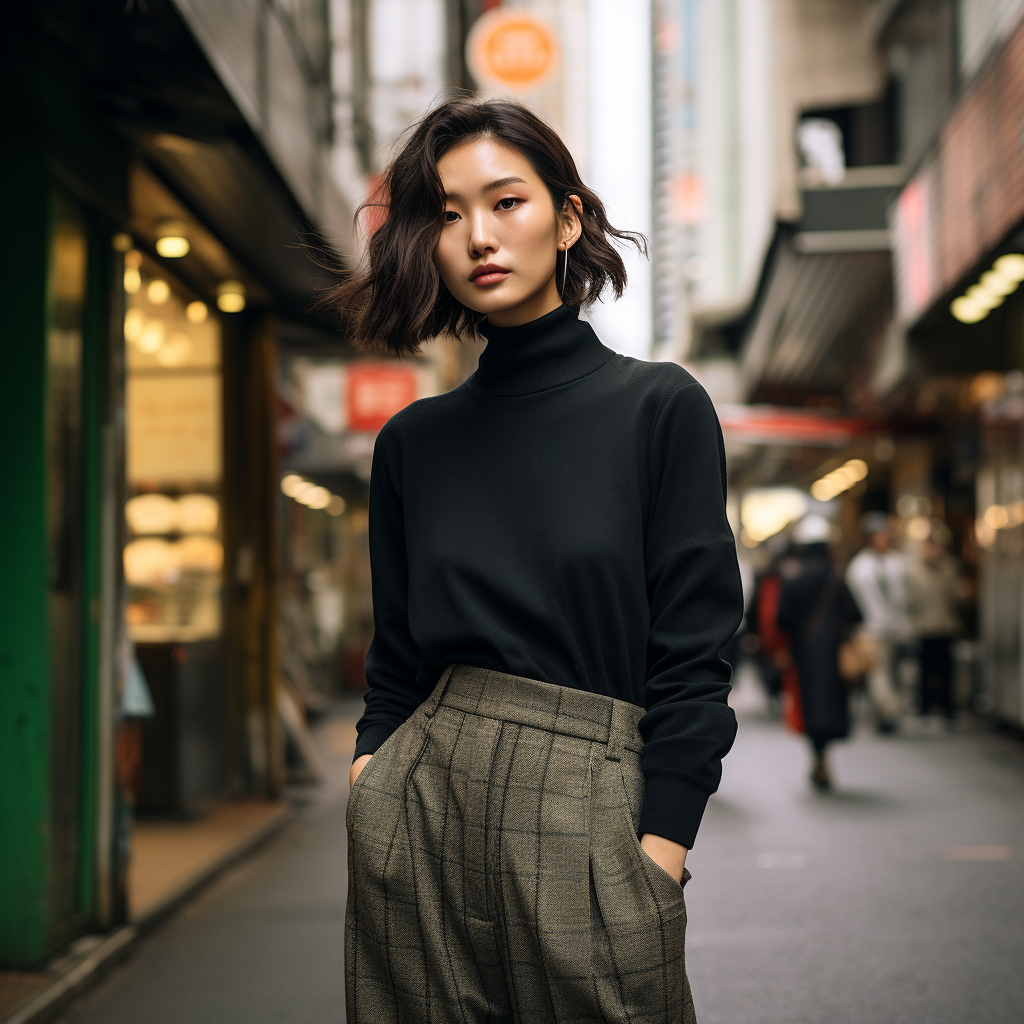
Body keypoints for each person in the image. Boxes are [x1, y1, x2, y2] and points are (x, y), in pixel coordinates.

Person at [331, 98, 743, 1023]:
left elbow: (695, 655)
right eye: (445, 213)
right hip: (422, 812)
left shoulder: (660, 408)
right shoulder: (412, 443)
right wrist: (371, 781)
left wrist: (659, 849)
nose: (477, 234)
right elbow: (395, 659)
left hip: (595, 808)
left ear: (566, 221)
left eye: (506, 201)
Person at [777, 515, 863, 789]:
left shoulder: (795, 579)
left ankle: (817, 754)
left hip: (805, 653)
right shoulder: (836, 578)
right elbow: (856, 614)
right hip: (835, 653)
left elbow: (781, 618)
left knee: (810, 705)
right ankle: (824, 755)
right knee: (831, 704)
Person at [845, 511, 909, 732]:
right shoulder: (860, 566)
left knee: (894, 671)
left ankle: (887, 711)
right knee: (878, 673)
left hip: (896, 627)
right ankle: (889, 712)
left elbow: (905, 595)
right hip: (870, 629)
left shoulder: (897, 562)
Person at [906, 528, 962, 721]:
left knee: (945, 670)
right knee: (924, 670)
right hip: (923, 627)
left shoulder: (949, 568)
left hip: (944, 626)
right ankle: (925, 705)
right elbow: (909, 599)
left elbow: (956, 596)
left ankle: (946, 706)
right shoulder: (914, 571)